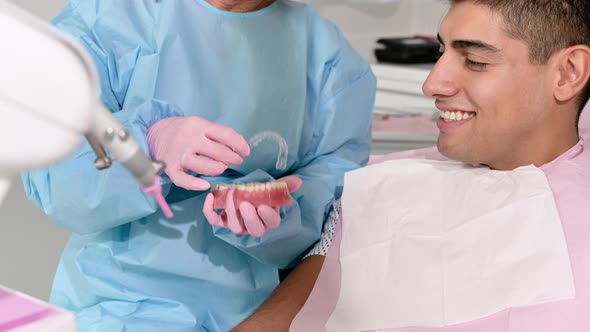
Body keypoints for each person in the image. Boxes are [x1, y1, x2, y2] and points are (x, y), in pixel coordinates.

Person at [233, 0, 590, 331]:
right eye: (440, 52)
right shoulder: (390, 182)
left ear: (568, 73)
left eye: (475, 61)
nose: (431, 83)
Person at [21, 0, 376, 331]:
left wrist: (282, 217)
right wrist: (141, 145)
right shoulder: (112, 21)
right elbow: (54, 175)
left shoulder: (331, 62)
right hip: (121, 306)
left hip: (260, 313)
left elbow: (333, 211)